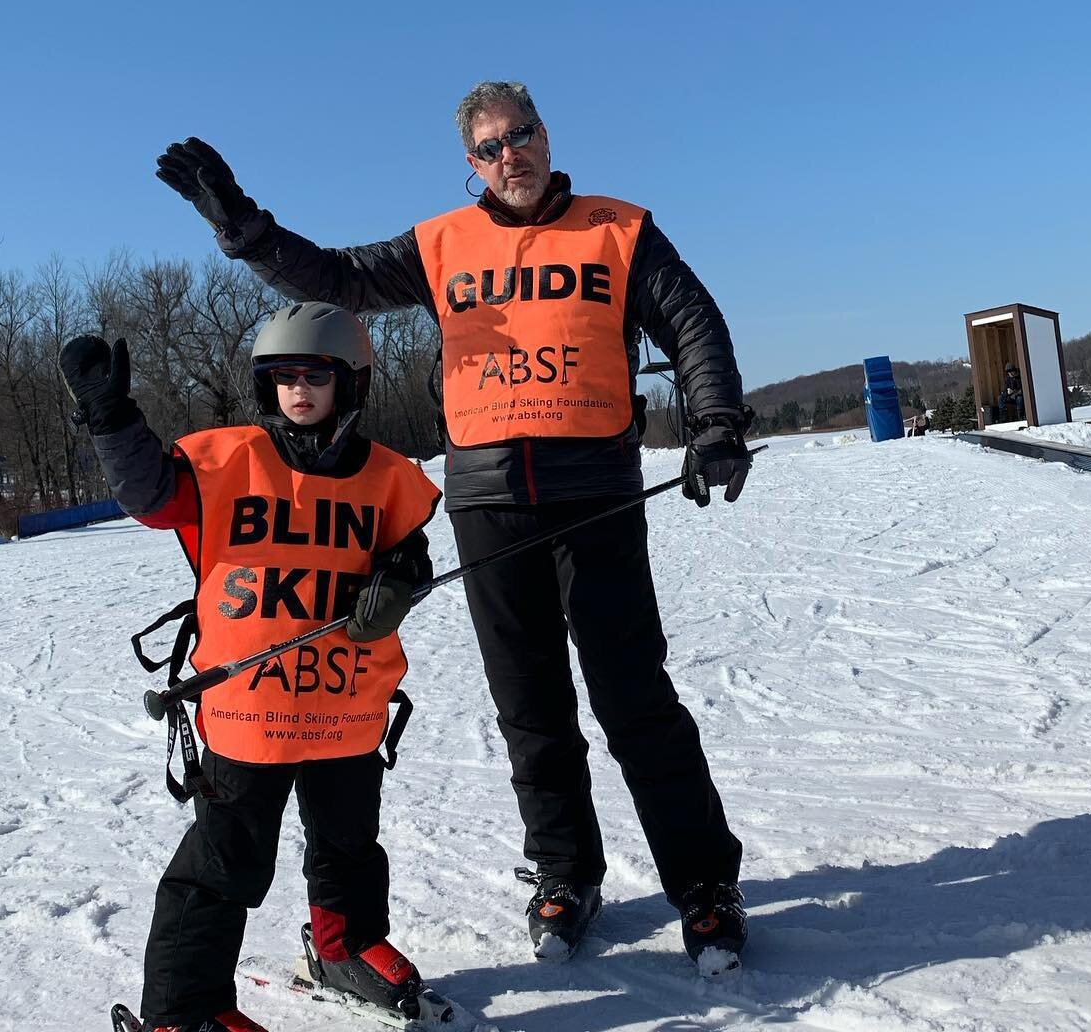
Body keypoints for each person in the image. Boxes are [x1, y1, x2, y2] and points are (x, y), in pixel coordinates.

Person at [156, 80, 753, 973]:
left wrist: (715, 421)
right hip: (486, 501)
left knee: (635, 697)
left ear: (547, 137)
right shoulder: (441, 243)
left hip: (597, 496)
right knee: (530, 704)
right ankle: (564, 873)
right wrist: (242, 228)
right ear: (470, 164)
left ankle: (704, 884)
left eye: (522, 135)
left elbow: (692, 322)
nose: (510, 154)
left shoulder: (618, 227)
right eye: (489, 146)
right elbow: (334, 277)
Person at [60, 303, 443, 1032]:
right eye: (284, 376)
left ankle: (345, 944)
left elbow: (409, 556)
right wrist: (110, 417)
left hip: (348, 707)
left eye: (317, 375)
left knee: (350, 844)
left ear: (349, 383)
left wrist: (399, 581)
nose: (300, 389)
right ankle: (184, 1010)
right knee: (222, 866)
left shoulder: (390, 477)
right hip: (249, 712)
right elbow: (148, 492)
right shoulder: (224, 460)